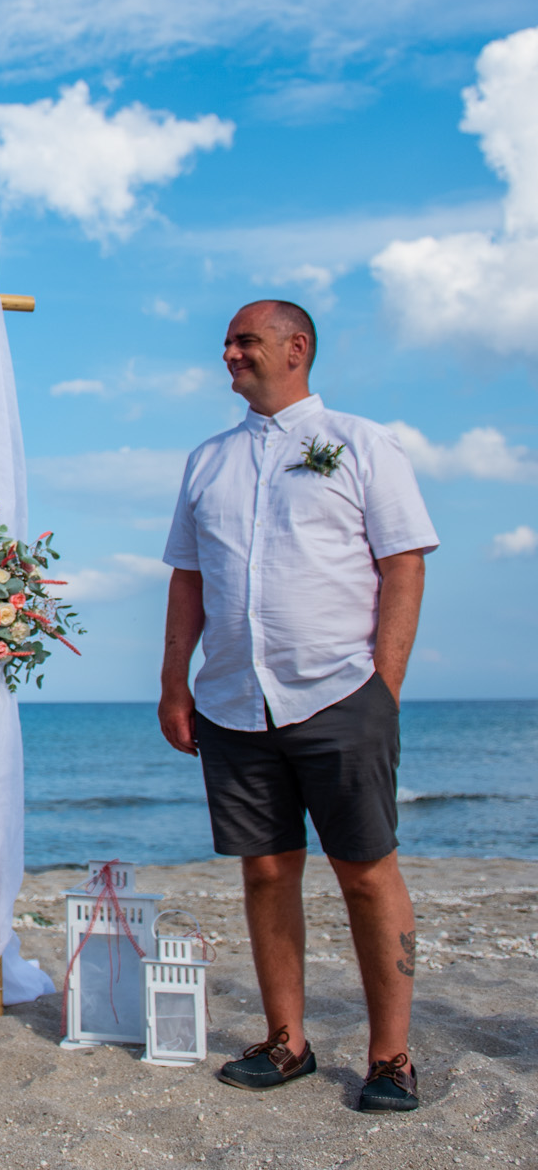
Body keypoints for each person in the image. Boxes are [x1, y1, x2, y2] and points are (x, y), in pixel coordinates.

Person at [159, 300, 436, 1114]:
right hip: (235, 701)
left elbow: (405, 561)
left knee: (366, 872)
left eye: (246, 340)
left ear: (296, 347)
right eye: (230, 342)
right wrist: (176, 680)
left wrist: (384, 683)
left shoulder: (359, 442)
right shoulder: (206, 460)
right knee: (268, 869)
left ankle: (391, 1054)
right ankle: (289, 1040)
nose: (230, 352)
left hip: (339, 693)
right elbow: (188, 576)